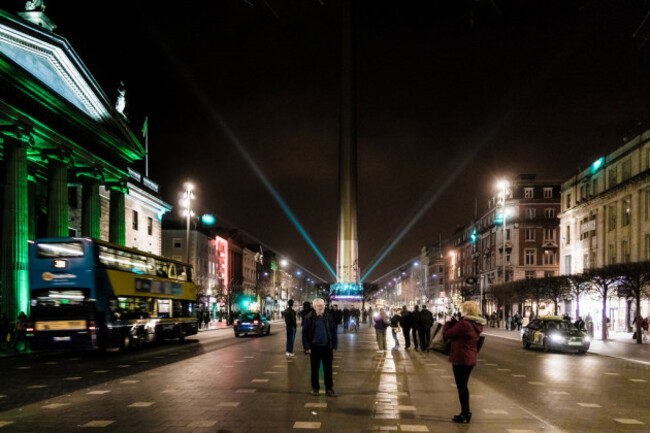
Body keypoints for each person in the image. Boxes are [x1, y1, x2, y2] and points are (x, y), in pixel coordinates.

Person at [443, 301, 486, 424]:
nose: (461, 311)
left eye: (463, 309)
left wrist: (447, 322)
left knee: (461, 387)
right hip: (470, 357)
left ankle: (465, 413)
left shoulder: (464, 324)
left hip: (461, 358)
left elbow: (448, 334)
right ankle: (465, 412)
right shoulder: (475, 324)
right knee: (463, 386)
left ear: (466, 310)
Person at [302, 298, 338, 397]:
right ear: (314, 307)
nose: (320, 307)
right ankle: (315, 389)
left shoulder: (328, 316)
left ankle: (329, 389)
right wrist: (306, 347)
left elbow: (333, 330)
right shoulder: (309, 317)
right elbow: (304, 333)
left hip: (327, 347)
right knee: (314, 370)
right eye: (318, 306)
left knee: (328, 370)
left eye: (322, 305)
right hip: (314, 348)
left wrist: (335, 344)